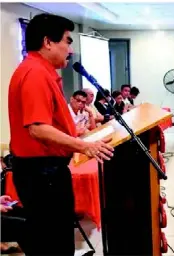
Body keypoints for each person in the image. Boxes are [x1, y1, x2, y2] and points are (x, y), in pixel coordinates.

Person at [7, 13, 114, 255]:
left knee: (54, 239)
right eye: (67, 41)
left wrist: (84, 139)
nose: (70, 49)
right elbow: (37, 128)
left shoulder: (39, 70)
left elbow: (51, 124)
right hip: (42, 173)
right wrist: (83, 146)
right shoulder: (35, 73)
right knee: (53, 243)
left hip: (45, 172)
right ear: (48, 42)